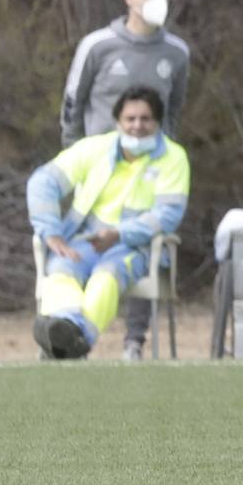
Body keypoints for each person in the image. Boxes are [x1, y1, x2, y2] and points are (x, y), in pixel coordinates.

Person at [60, 0, 190, 360]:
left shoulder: (177, 53)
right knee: (82, 256)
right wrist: (74, 165)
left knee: (139, 246)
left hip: (150, 172)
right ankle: (69, 332)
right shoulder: (98, 46)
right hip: (98, 175)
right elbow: (72, 106)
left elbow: (174, 112)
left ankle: (134, 341)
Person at [28, 86, 190, 359]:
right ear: (118, 121)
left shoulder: (174, 158)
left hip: (136, 247)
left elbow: (168, 215)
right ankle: (66, 332)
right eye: (130, 119)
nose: (137, 125)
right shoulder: (95, 148)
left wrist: (119, 234)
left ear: (158, 122)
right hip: (84, 242)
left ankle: (69, 339)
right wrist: (50, 232)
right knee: (59, 271)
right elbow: (42, 181)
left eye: (145, 119)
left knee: (106, 277)